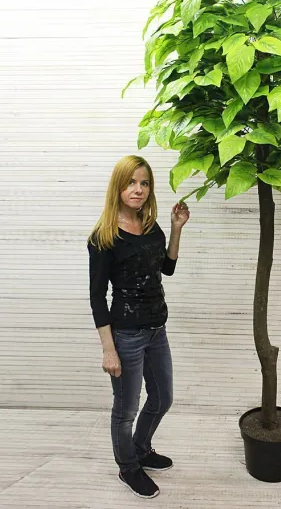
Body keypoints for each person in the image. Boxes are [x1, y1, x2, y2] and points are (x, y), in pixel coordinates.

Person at [87, 154, 190, 499]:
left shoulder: (149, 226)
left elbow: (167, 268)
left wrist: (176, 229)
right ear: (118, 186)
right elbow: (97, 298)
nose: (138, 189)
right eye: (131, 182)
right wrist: (109, 349)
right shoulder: (103, 237)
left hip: (157, 329)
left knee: (162, 398)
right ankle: (128, 467)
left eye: (144, 183)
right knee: (126, 409)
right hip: (126, 335)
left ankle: (141, 449)